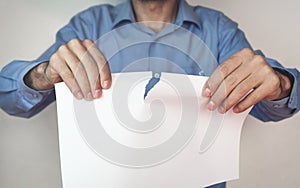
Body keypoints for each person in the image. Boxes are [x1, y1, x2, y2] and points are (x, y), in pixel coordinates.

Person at [0, 0, 299, 187]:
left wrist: (280, 83)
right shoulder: (88, 25)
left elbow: (274, 104)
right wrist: (43, 74)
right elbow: (11, 99)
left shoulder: (218, 28)